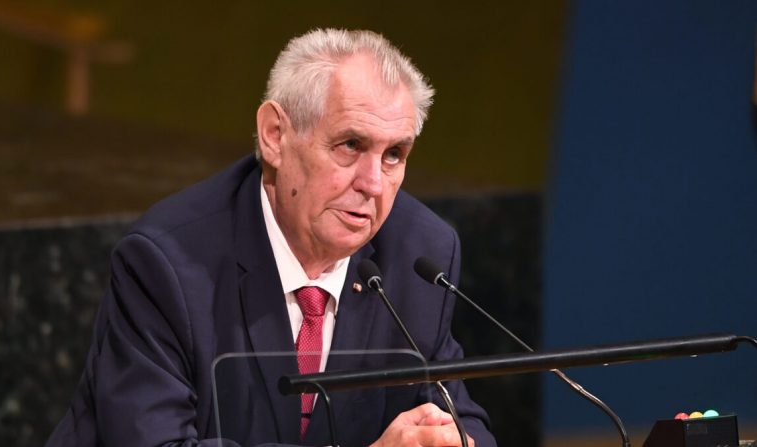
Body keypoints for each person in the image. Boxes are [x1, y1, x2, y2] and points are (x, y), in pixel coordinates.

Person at [47, 28, 496, 447]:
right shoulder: (167, 264)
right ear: (275, 136)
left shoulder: (420, 255)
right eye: (350, 146)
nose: (374, 184)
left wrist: (449, 438)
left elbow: (460, 415)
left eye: (394, 154)